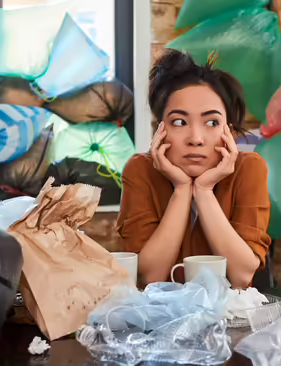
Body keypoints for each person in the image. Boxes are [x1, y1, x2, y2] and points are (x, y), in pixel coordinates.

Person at [116, 49, 271, 289]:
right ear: (160, 129)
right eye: (179, 122)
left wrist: (204, 190)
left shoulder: (249, 169)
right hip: (160, 318)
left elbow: (241, 277)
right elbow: (150, 278)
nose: (196, 138)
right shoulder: (140, 171)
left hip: (230, 319)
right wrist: (181, 189)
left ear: (227, 132)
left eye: (212, 123)